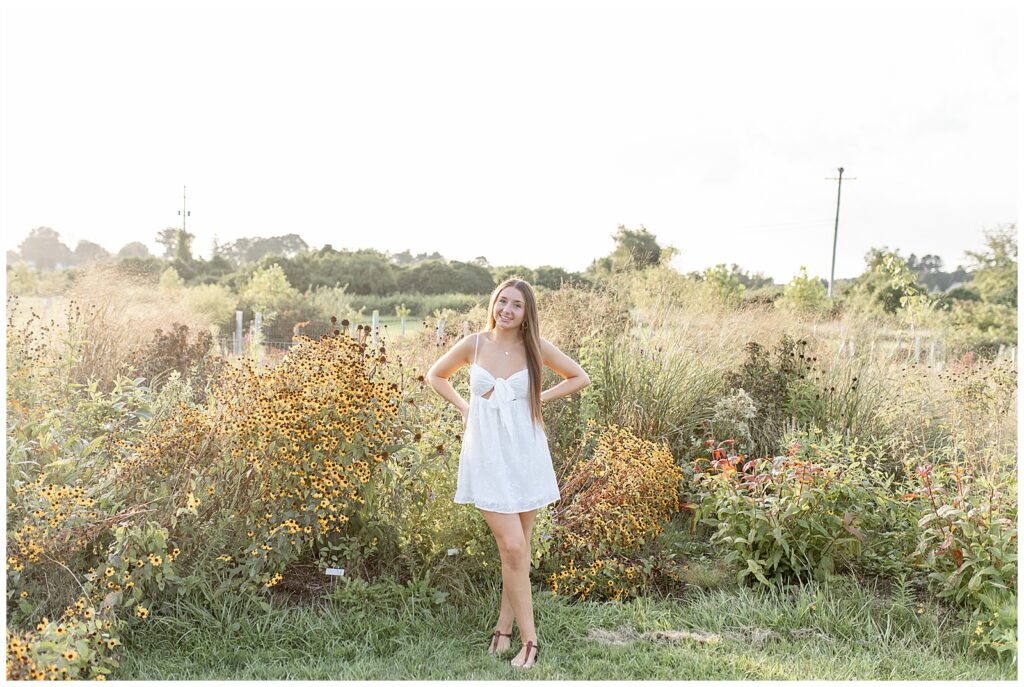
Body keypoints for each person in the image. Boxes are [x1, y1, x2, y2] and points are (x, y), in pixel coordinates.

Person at [425, 277, 590, 669]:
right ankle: (531, 641)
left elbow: (579, 377)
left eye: (516, 304)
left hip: (525, 453)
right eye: (502, 301)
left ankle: (504, 628)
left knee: (517, 549)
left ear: (526, 312)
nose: (507, 310)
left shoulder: (534, 347)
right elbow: (435, 375)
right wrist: (466, 409)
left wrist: (537, 398)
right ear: (493, 304)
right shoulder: (474, 343)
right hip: (485, 454)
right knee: (513, 547)